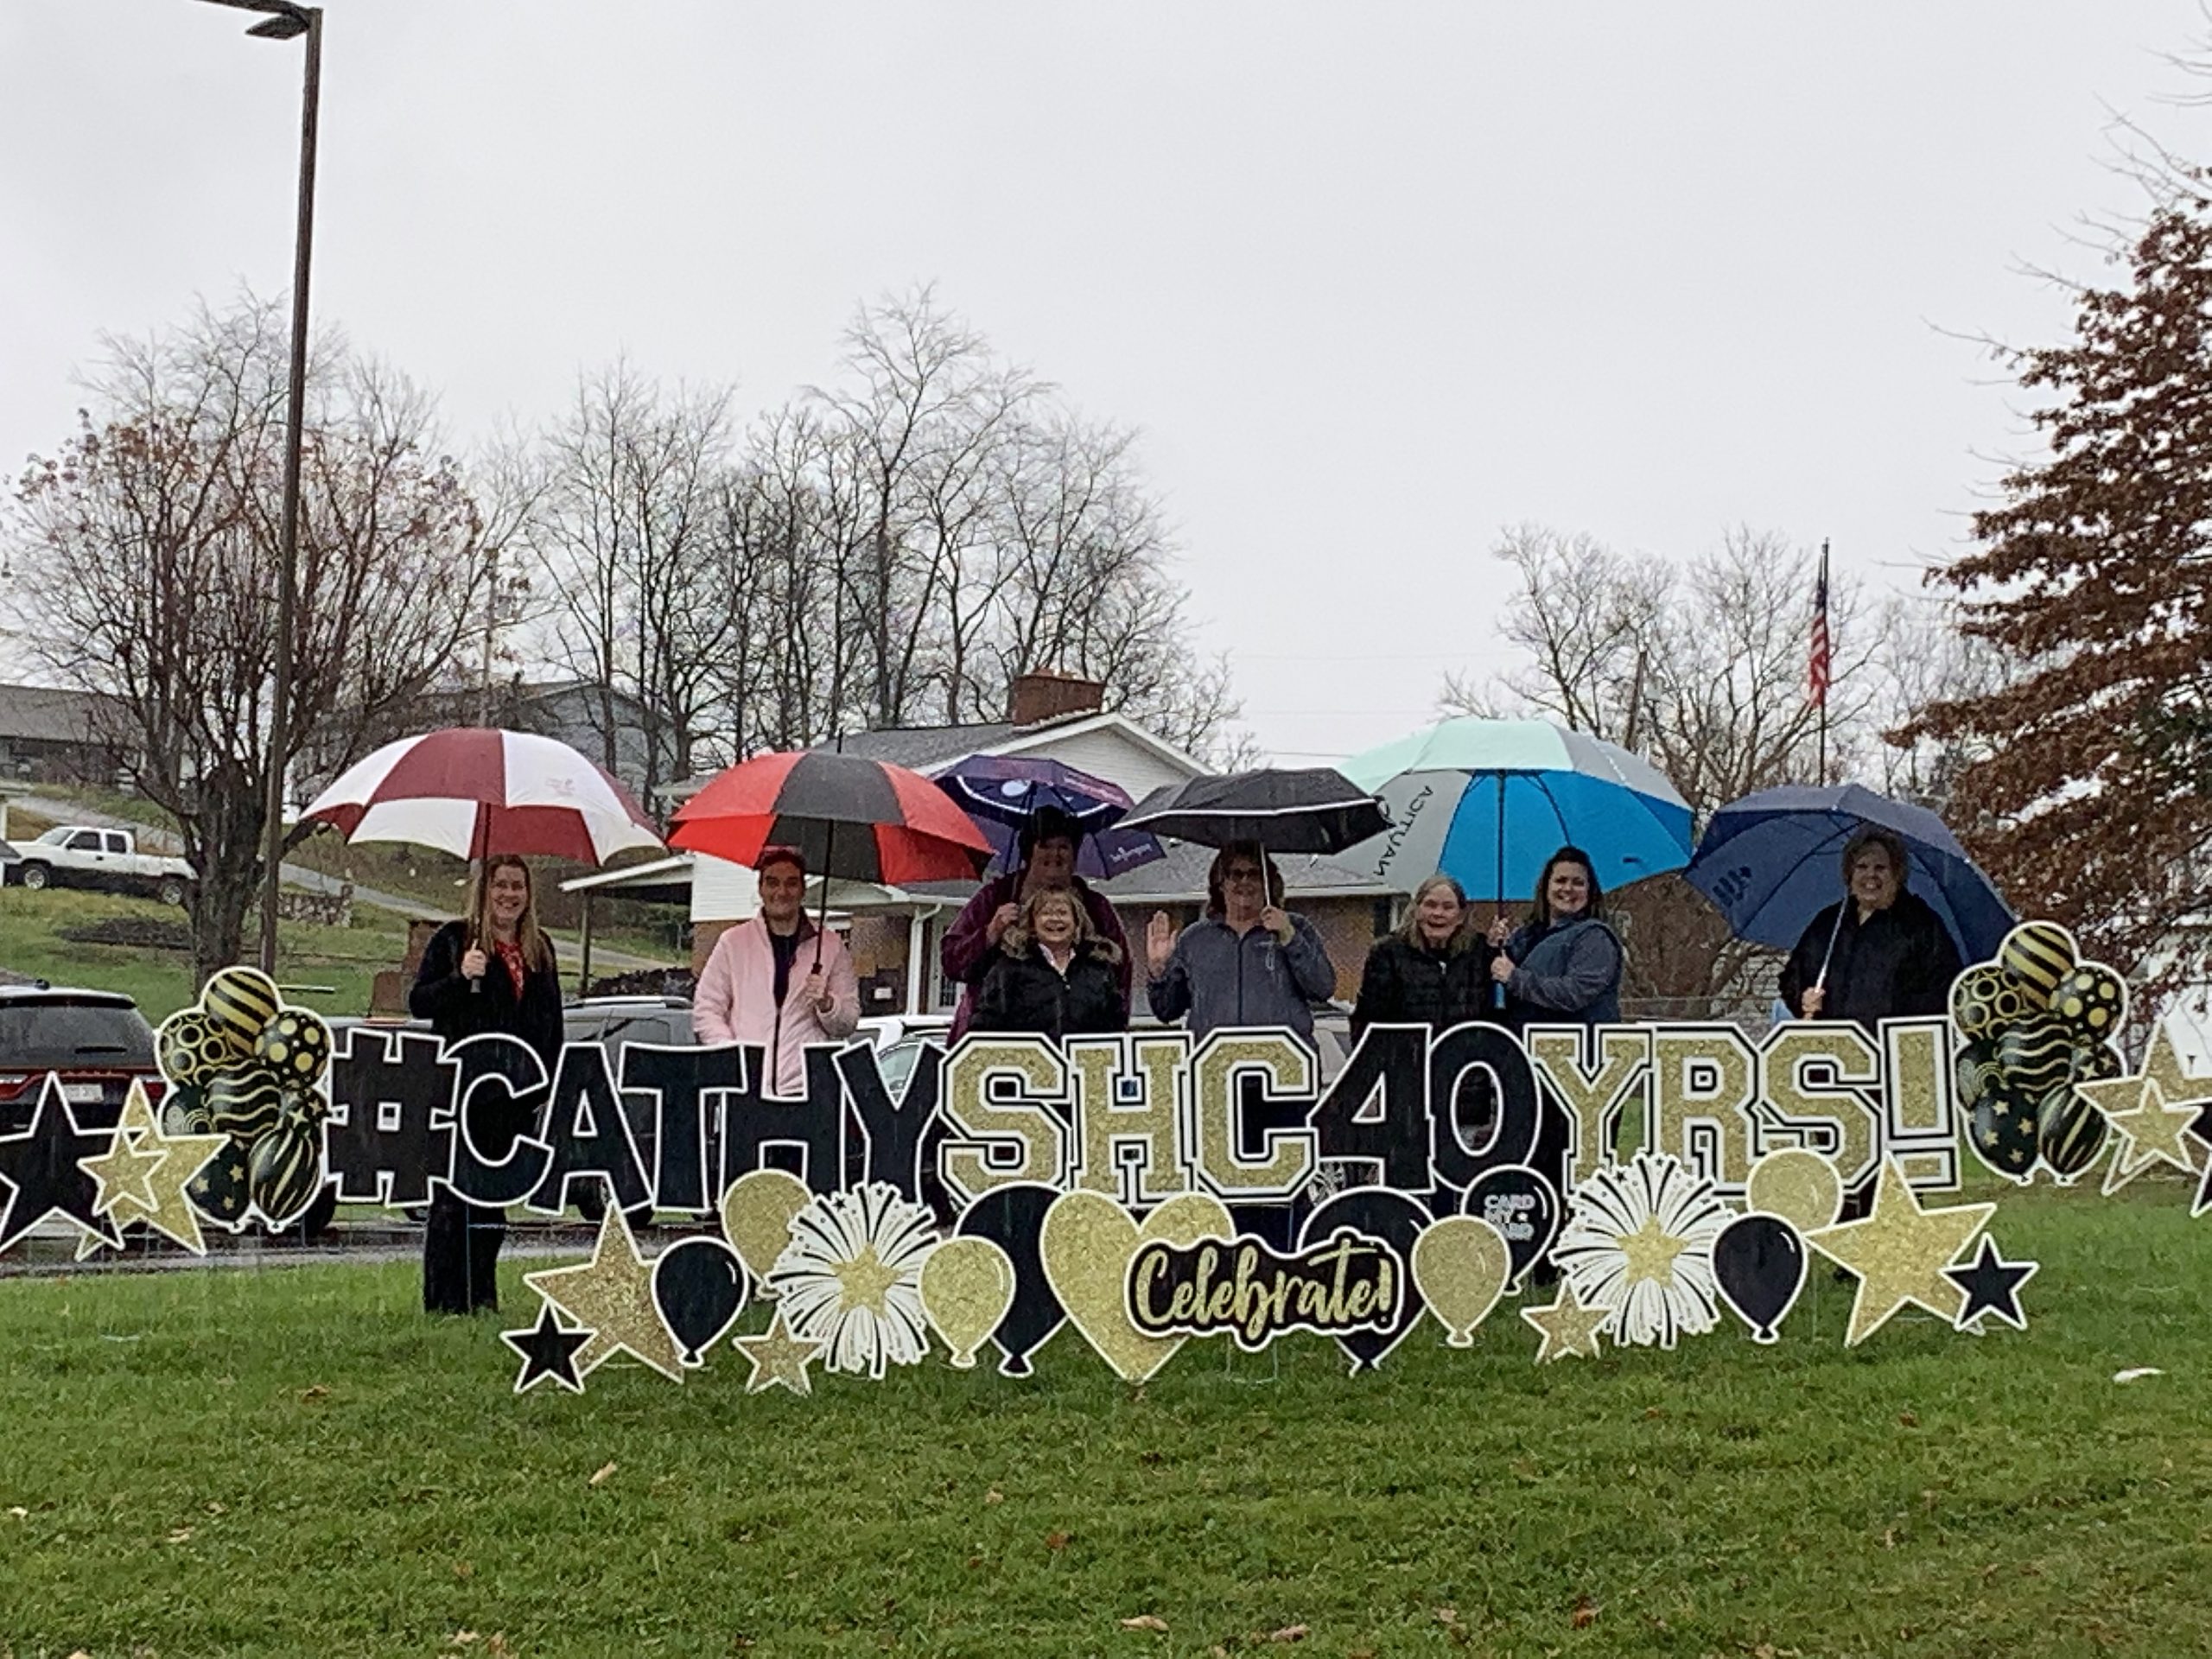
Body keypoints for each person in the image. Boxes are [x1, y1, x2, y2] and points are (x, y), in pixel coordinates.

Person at [410, 854, 564, 1316]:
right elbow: (420, 1003)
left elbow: (551, 1024)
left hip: (511, 1099)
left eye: (517, 886)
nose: (509, 895)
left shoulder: (540, 948)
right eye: (500, 885)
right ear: (483, 890)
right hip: (461, 1093)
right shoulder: (455, 940)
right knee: (453, 1202)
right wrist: (462, 978)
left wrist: (544, 1088)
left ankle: (483, 1295)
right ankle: (444, 1302)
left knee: (493, 1204)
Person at [940, 807, 1130, 1039]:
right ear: (1028, 853)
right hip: (995, 1042)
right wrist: (990, 933)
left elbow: (1121, 976)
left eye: (1063, 846)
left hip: (1078, 1049)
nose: (1055, 854)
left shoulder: (1097, 908)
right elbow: (951, 963)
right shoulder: (994, 897)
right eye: (1045, 846)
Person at [692, 846, 861, 1093]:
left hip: (805, 1089)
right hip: (744, 1087)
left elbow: (847, 1024)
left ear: (803, 890)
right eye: (773, 883)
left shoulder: (831, 946)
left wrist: (827, 1004)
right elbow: (707, 1009)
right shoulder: (733, 943)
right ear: (761, 888)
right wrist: (732, 1055)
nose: (781, 892)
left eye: (791, 883)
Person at [1145, 842, 1337, 1040]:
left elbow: (1322, 988)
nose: (1244, 881)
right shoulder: (1194, 939)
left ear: (1268, 883)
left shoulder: (1296, 927)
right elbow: (1166, 1011)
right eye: (1235, 874)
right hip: (1214, 1063)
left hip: (1284, 1062)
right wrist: (1159, 970)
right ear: (1221, 883)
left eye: (1254, 874)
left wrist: (1289, 937)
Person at [1779, 826, 1963, 1029]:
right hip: (1833, 1047)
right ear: (1849, 873)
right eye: (1862, 866)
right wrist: (1803, 998)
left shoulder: (1921, 925)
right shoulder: (1828, 923)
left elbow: (1944, 990)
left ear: (1897, 873)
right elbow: (1793, 977)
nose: (1870, 875)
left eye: (1880, 868)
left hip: (1892, 1050)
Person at [1489, 846, 1624, 1029]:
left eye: (1578, 882)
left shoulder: (1595, 937)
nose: (1568, 889)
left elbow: (1575, 993)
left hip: (1576, 1049)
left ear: (1589, 890)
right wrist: (1493, 948)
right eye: (1561, 880)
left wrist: (1516, 979)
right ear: (1546, 887)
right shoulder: (1525, 936)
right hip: (1522, 1046)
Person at [971, 887, 1129, 1042]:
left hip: (1084, 1065)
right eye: (1045, 913)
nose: (1054, 919)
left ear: (1077, 922)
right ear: (1032, 924)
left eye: (1062, 912)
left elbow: (1116, 1025)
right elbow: (985, 1027)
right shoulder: (1008, 969)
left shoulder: (1099, 969)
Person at [1350, 874, 1497, 1039]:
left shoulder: (1479, 952)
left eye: (1448, 907)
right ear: (1417, 910)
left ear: (1461, 916)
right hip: (1406, 1058)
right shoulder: (1387, 953)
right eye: (1430, 905)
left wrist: (1498, 949)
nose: (1438, 913)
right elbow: (1367, 1018)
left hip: (1463, 1057)